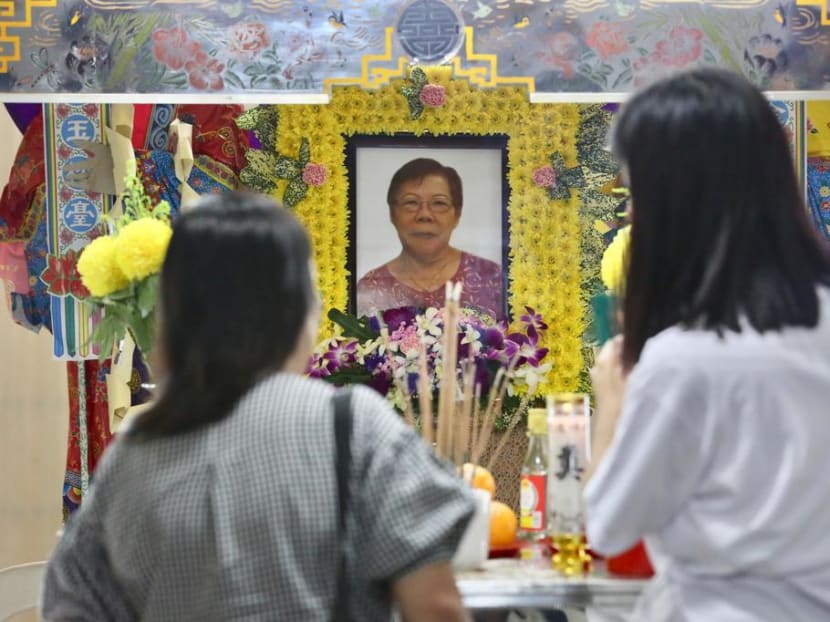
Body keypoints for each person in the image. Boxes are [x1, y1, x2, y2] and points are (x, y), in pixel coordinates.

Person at [42, 192, 475, 621]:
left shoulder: (132, 455)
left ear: (174, 317)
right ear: (302, 307)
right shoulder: (353, 426)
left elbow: (70, 606)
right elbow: (435, 608)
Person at [584, 67, 830, 620]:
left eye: (637, 194)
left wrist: (614, 401)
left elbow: (608, 525)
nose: (630, 214)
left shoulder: (685, 360)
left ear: (679, 202)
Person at [356, 157, 505, 320]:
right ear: (392, 213)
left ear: (457, 214)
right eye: (411, 202)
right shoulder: (372, 286)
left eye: (439, 203)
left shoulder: (491, 277)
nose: (424, 215)